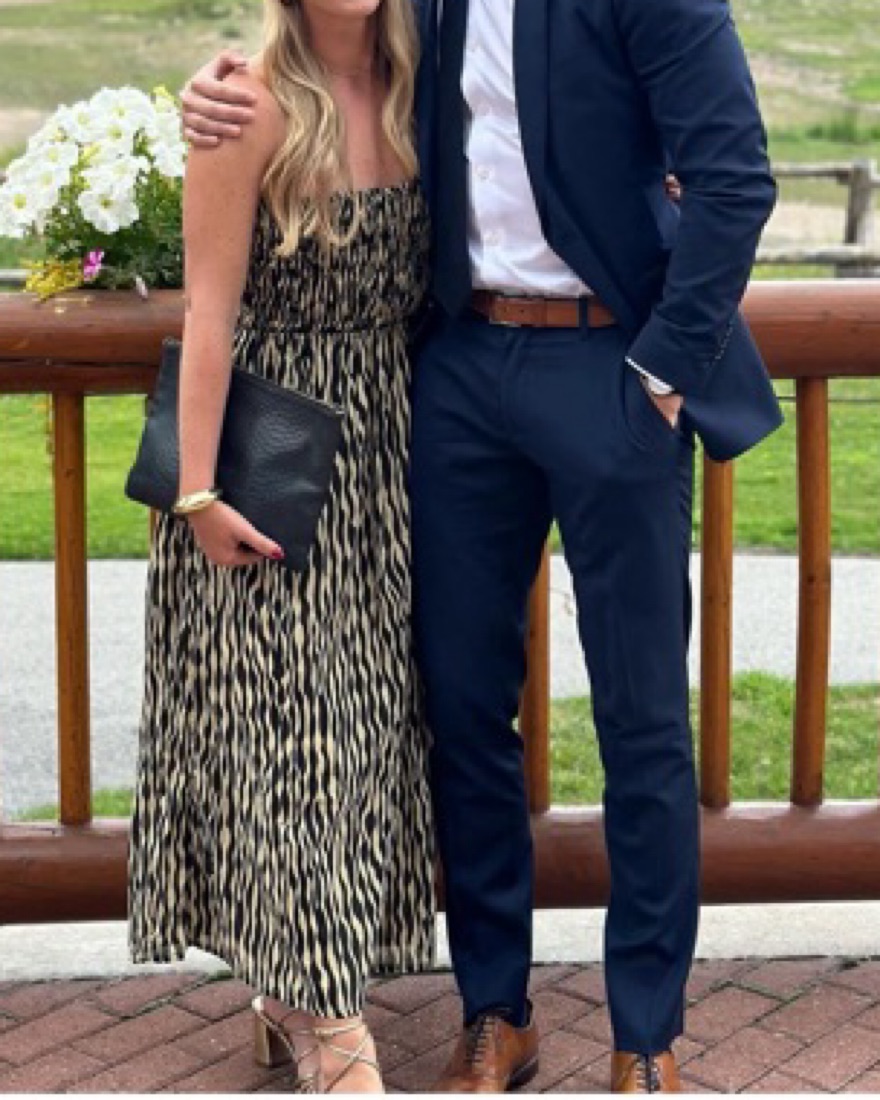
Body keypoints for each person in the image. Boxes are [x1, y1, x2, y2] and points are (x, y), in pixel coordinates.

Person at [181, 0, 783, 1091]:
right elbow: (324, 50)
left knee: (641, 717)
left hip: (611, 368)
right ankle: (494, 1012)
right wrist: (215, 90)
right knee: (463, 709)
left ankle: (646, 1032)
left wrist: (661, 374)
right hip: (461, 373)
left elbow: (735, 179)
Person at [127, 0, 436, 1092]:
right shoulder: (247, 109)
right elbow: (209, 315)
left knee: (366, 735)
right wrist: (196, 491)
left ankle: (288, 993)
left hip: (391, 459)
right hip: (271, 455)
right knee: (295, 742)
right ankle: (331, 1022)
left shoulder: (421, 91)